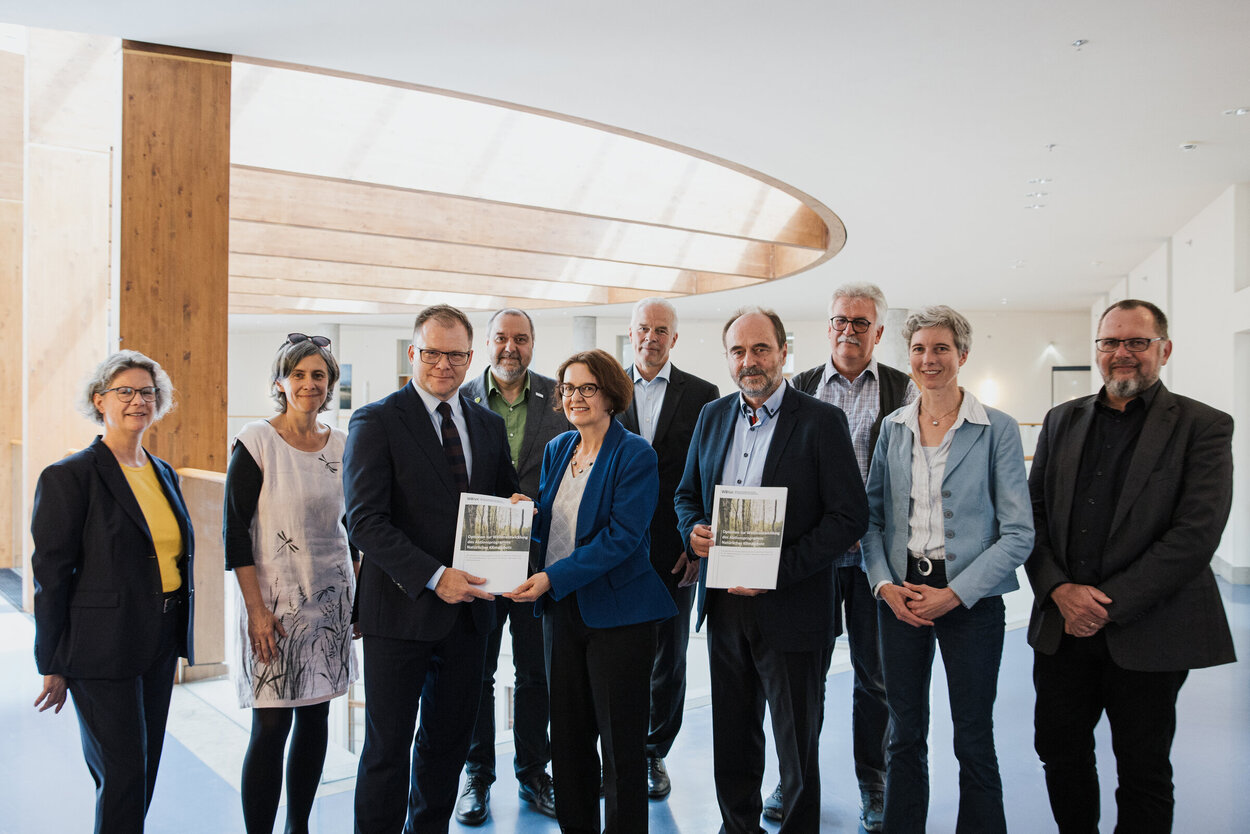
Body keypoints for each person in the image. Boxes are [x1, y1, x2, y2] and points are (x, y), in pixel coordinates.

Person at [1026, 299, 1235, 834]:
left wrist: (1103, 605)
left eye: (1136, 342)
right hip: (1062, 630)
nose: (1122, 354)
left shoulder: (1202, 426)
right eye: (1110, 342)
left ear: (1164, 350)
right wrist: (1059, 592)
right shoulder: (1061, 420)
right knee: (1060, 752)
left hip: (1150, 629)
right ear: (1097, 350)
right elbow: (1033, 518)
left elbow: (1195, 534)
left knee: (1142, 769)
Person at [675, 307, 867, 834]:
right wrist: (691, 530)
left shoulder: (822, 421)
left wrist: (778, 570)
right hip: (725, 606)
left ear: (784, 352)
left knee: (795, 743)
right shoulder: (713, 417)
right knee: (733, 733)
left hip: (794, 605)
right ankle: (738, 826)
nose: (749, 361)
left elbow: (849, 516)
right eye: (738, 351)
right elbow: (687, 495)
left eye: (761, 349)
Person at [344, 304, 519, 834]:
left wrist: (516, 511)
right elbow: (365, 523)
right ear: (414, 353)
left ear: (471, 358)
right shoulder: (375, 420)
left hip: (470, 616)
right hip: (400, 614)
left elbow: (504, 497)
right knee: (387, 750)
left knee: (446, 748)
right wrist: (433, 575)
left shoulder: (487, 426)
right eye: (432, 353)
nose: (443, 364)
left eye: (456, 354)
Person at [861, 305, 1033, 834]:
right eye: (918, 349)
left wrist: (955, 594)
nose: (928, 359)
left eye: (940, 349)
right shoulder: (891, 428)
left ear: (962, 354)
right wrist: (884, 584)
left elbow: (1019, 533)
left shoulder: (996, 429)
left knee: (973, 733)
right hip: (902, 594)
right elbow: (871, 517)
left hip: (972, 600)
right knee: (904, 731)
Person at [506, 348, 676, 833]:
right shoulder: (560, 449)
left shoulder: (635, 453)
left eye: (587, 388)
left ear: (610, 393)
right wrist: (526, 518)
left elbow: (622, 538)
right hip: (562, 611)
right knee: (569, 740)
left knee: (620, 747)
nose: (575, 397)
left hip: (619, 616)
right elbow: (556, 531)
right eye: (567, 388)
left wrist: (553, 578)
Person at [31, 350, 195, 834]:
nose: (138, 400)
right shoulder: (70, 476)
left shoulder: (163, 473)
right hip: (101, 646)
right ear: (99, 400)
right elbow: (51, 575)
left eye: (147, 392)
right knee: (122, 772)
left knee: (143, 769)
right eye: (125, 391)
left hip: (160, 638)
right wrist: (54, 660)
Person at [786, 282, 916, 830]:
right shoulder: (800, 387)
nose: (849, 330)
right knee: (802, 676)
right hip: (814, 559)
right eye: (841, 320)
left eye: (861, 322)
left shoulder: (904, 389)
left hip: (874, 562)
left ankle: (874, 782)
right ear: (829, 325)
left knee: (875, 679)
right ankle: (793, 782)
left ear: (879, 332)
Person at [223, 333, 359, 834]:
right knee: (271, 724)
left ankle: (298, 826)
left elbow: (355, 528)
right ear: (280, 382)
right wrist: (256, 610)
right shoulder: (256, 440)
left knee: (317, 720)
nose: (308, 383)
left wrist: (360, 597)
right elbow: (233, 532)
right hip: (274, 604)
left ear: (330, 385)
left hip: (331, 598)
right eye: (298, 374)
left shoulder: (343, 445)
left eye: (317, 375)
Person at [455, 308, 567, 824]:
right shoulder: (460, 398)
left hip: (539, 563)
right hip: (476, 564)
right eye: (502, 337)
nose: (510, 348)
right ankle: (476, 772)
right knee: (476, 670)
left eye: (520, 339)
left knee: (535, 674)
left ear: (532, 344)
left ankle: (533, 771)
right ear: (487, 343)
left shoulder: (561, 396)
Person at [617, 297, 719, 800]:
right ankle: (617, 752)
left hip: (674, 550)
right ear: (629, 333)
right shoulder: (605, 389)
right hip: (612, 551)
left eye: (661, 330)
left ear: (674, 338)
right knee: (617, 655)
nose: (650, 338)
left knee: (669, 659)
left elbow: (708, 476)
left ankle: (655, 753)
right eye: (642, 329)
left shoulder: (704, 395)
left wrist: (696, 545)